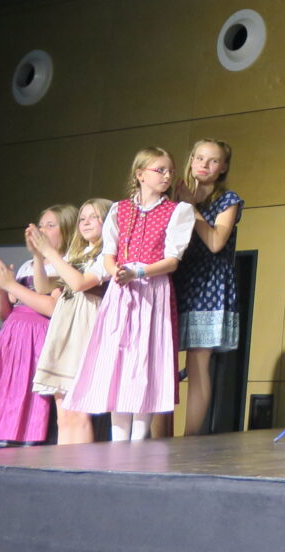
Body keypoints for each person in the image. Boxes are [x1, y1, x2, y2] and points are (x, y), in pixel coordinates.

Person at [65, 149, 195, 442]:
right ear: (140, 174)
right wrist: (116, 272)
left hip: (151, 290)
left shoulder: (177, 211)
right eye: (160, 170)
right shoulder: (120, 209)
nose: (167, 175)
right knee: (119, 360)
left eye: (170, 171)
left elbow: (172, 261)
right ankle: (118, 441)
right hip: (122, 291)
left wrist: (138, 272)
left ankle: (138, 442)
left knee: (145, 360)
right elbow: (109, 253)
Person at [0, 205, 75, 446]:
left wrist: (11, 285)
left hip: (37, 338)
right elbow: (5, 313)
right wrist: (0, 289)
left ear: (67, 231)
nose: (42, 230)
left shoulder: (65, 264)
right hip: (11, 338)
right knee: (1, 387)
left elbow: (52, 307)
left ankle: (25, 440)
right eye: (40, 225)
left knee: (27, 390)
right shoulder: (27, 266)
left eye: (50, 226)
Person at [172, 139, 242, 436]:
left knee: (198, 363)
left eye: (213, 160)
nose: (204, 164)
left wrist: (190, 206)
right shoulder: (173, 195)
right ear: (191, 160)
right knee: (164, 361)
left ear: (223, 167)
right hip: (176, 279)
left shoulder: (228, 200)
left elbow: (215, 242)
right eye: (199, 158)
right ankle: (159, 437)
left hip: (209, 283)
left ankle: (190, 439)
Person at [30, 198, 113, 444]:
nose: (85, 222)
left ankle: (79, 465)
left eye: (94, 217)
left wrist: (49, 252)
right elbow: (43, 286)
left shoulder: (107, 254)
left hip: (85, 325)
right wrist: (38, 256)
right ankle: (63, 465)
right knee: (63, 415)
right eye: (82, 218)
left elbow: (79, 283)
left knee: (77, 413)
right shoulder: (79, 254)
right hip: (66, 326)